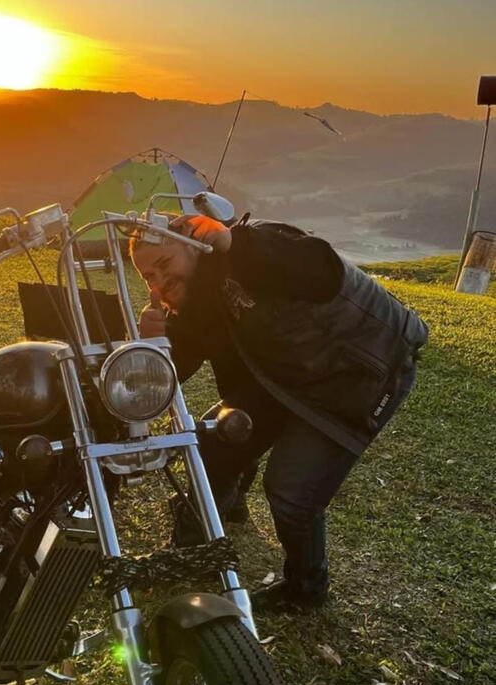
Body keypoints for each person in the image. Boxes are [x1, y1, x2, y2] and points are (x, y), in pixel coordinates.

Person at [131, 214, 428, 611]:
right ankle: (194, 546)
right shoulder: (202, 296)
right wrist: (158, 343)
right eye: (148, 276)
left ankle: (306, 589)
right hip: (291, 375)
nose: (159, 283)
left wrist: (236, 243)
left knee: (291, 490)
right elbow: (184, 360)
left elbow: (320, 269)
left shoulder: (254, 248)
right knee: (213, 441)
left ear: (195, 245)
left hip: (361, 372)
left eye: (165, 265)